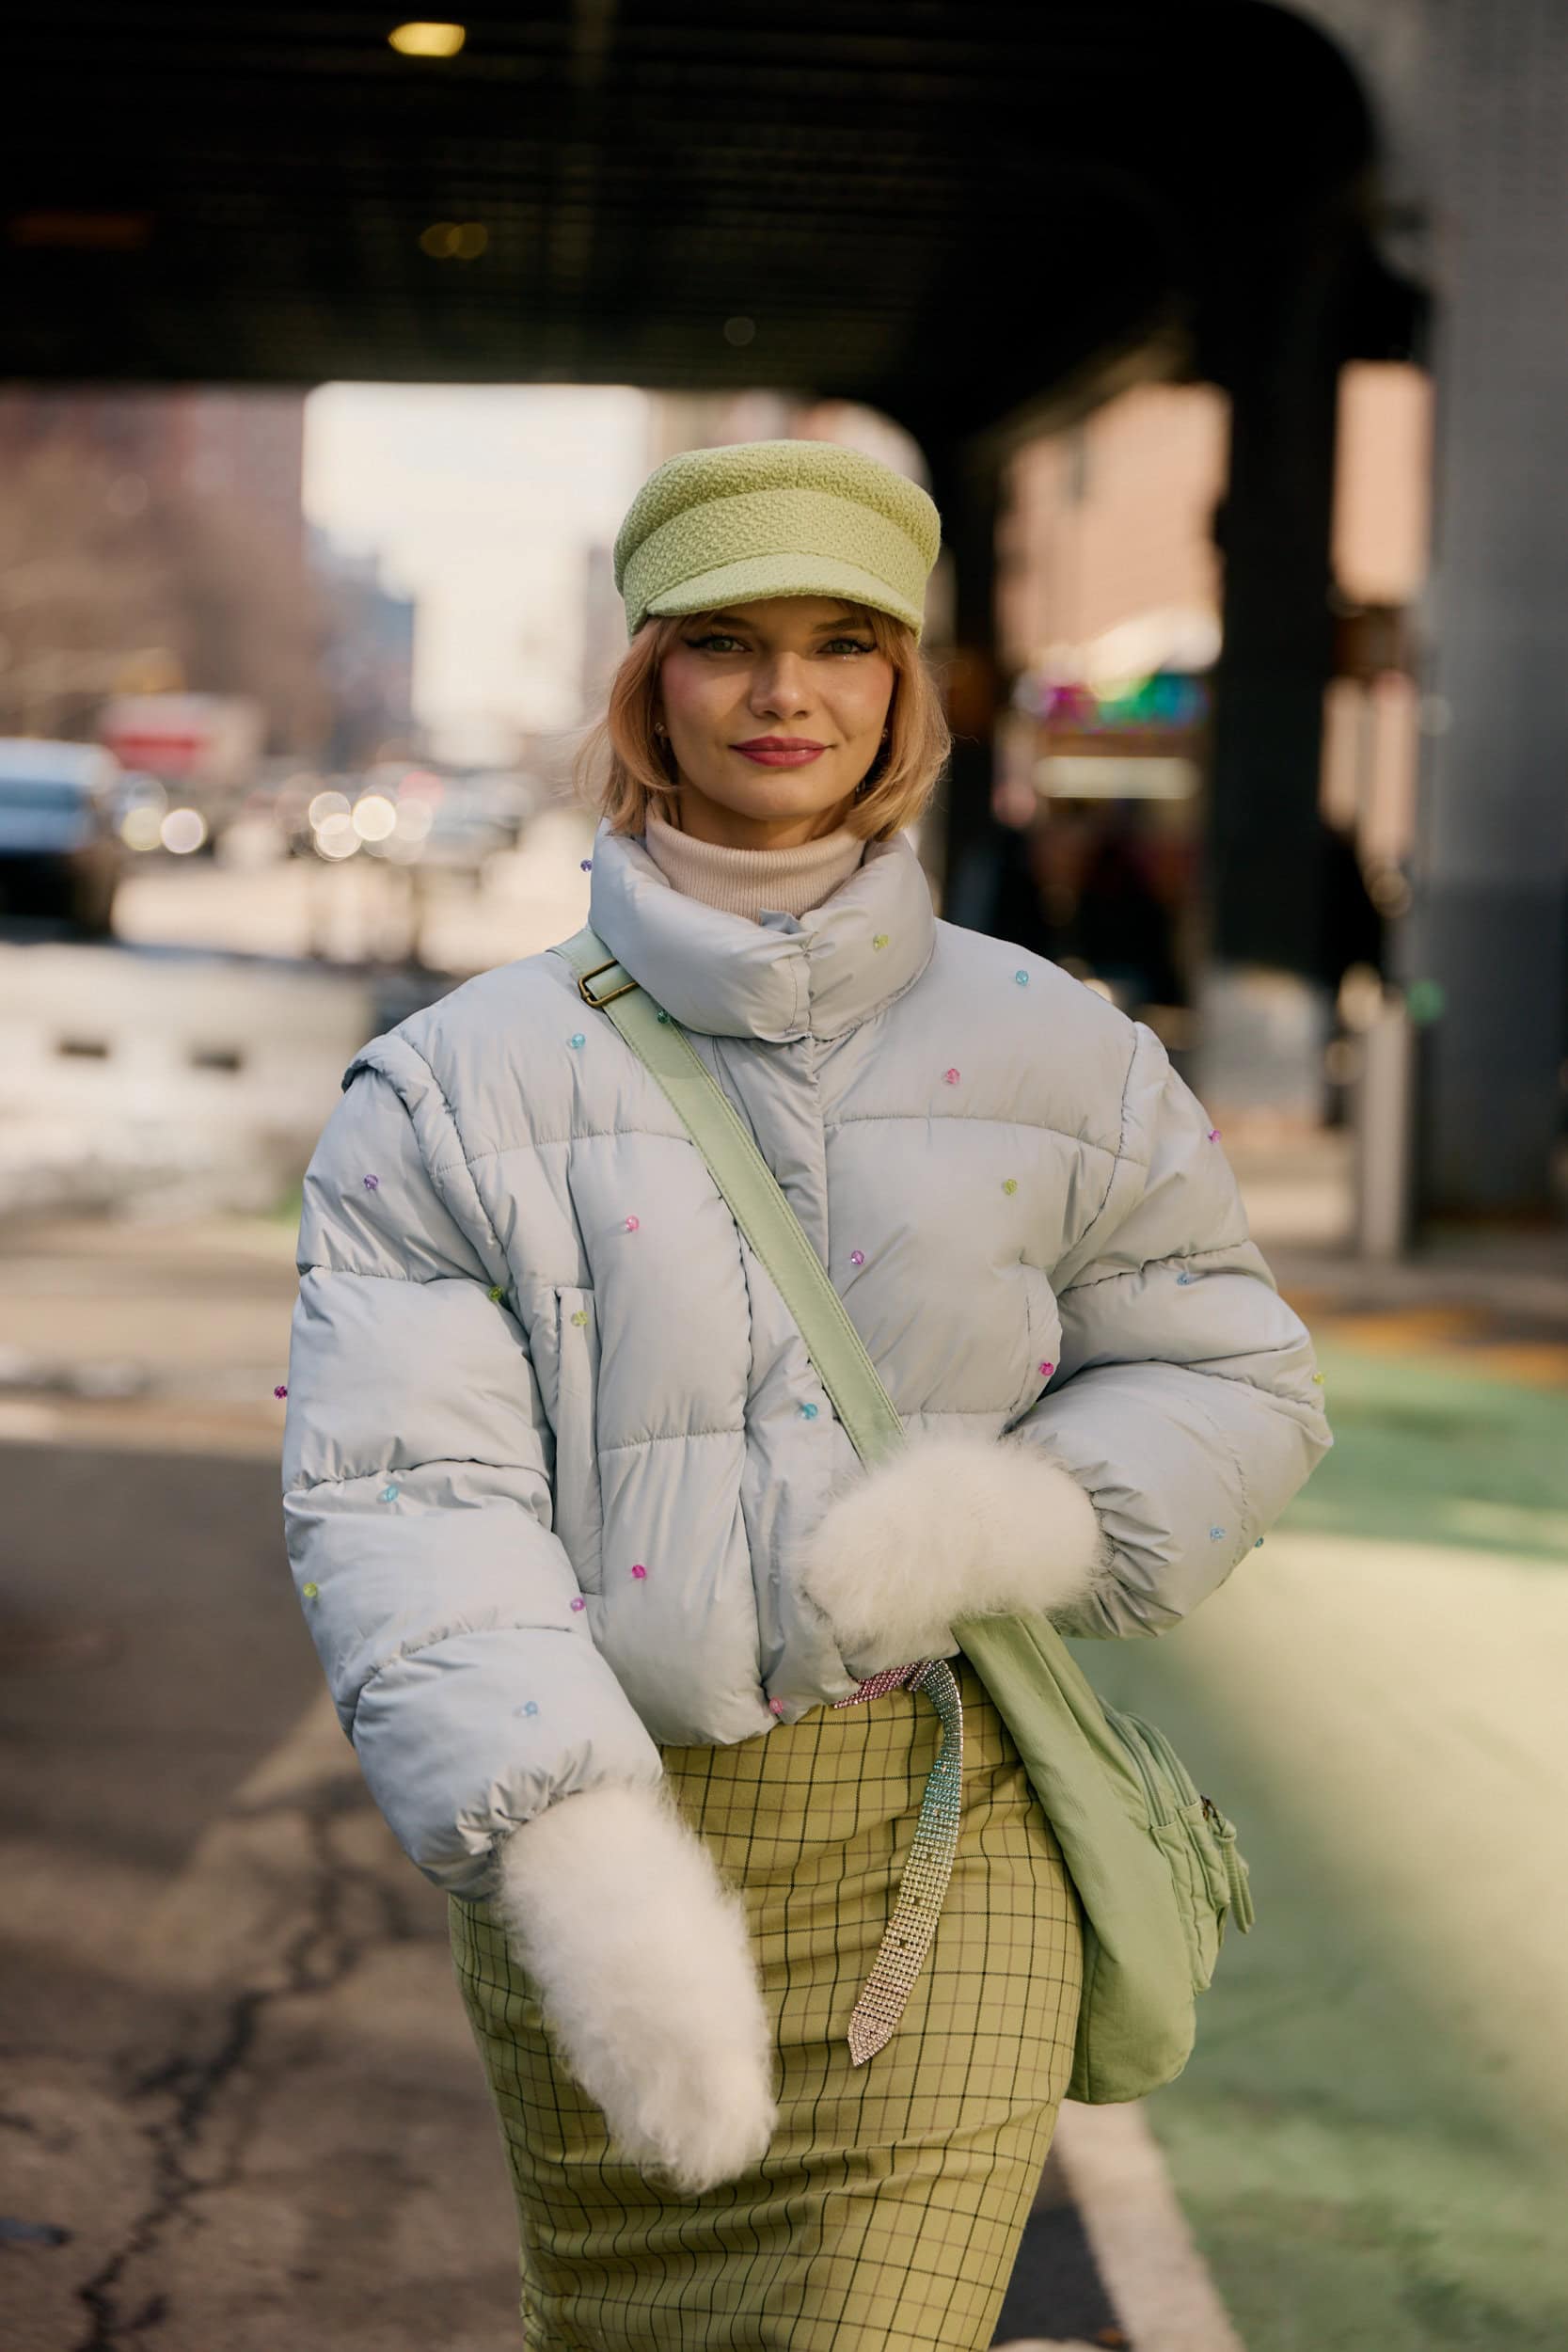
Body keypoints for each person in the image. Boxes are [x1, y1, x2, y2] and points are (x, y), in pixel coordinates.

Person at [282, 439, 1330, 2352]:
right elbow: (406, 1491)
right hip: (606, 1848)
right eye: (726, 643)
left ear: (904, 686)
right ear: (647, 685)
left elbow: (1230, 1363)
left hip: (948, 1826)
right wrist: (583, 1860)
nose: (785, 693)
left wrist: (1026, 1513)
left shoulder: (1061, 1046)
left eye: (843, 641)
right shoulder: (451, 1084)